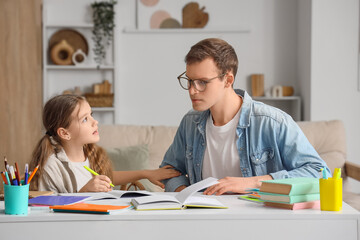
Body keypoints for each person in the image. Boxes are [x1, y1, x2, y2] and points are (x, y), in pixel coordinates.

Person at [160, 38, 330, 195]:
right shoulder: (190, 123)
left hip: (259, 221)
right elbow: (168, 171)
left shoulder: (271, 122)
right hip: (204, 220)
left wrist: (253, 182)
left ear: (228, 80)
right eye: (189, 80)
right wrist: (187, 195)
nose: (192, 90)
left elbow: (321, 174)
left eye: (202, 82)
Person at [29, 94, 180, 193]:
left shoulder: (87, 154)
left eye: (91, 115)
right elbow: (47, 209)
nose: (95, 122)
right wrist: (84, 192)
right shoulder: (51, 166)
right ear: (64, 133)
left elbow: (106, 178)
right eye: (85, 119)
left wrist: (145, 173)